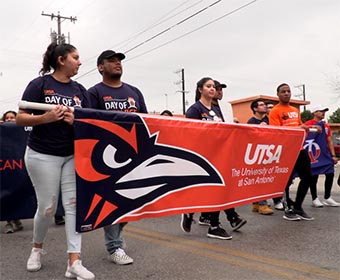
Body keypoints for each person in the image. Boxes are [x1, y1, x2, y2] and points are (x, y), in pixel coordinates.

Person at [16, 42, 94, 280]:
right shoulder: (40, 84)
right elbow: (20, 118)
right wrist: (47, 117)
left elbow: (89, 122)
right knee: (48, 208)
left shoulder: (80, 90)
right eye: (76, 57)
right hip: (42, 154)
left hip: (71, 154)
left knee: (73, 205)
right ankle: (36, 249)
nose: (80, 62)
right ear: (61, 60)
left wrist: (75, 121)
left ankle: (74, 261)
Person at [86, 50, 147, 265]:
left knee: (132, 204)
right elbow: (89, 124)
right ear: (100, 67)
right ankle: (115, 247)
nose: (117, 64)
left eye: (119, 61)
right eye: (112, 61)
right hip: (107, 158)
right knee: (113, 202)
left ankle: (112, 226)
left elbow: (145, 122)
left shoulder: (134, 92)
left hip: (134, 155)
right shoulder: (94, 92)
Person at [195, 80, 247, 231]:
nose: (213, 90)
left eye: (214, 87)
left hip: (221, 155)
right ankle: (216, 224)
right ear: (200, 89)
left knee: (223, 188)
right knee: (217, 189)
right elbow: (191, 135)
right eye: (209, 86)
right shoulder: (195, 109)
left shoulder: (218, 110)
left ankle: (223, 219)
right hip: (205, 158)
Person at [269, 83, 314, 221]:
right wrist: (299, 128)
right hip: (285, 150)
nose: (287, 93)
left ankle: (298, 207)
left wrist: (305, 128)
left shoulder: (294, 110)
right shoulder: (275, 111)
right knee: (286, 181)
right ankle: (287, 208)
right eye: (283, 91)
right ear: (278, 94)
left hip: (299, 149)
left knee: (307, 177)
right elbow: (277, 132)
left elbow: (299, 126)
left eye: (288, 91)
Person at [305, 105, 340, 207]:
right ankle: (314, 198)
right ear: (314, 113)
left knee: (330, 174)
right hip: (314, 154)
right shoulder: (308, 124)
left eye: (324, 111)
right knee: (314, 176)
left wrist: (333, 155)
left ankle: (327, 197)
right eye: (321, 111)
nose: (323, 113)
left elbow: (329, 140)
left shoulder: (326, 126)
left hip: (325, 154)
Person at [247, 99, 274, 215]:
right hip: (256, 154)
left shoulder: (268, 120)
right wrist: (259, 129)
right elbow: (248, 137)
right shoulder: (251, 122)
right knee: (260, 179)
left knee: (265, 178)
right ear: (255, 109)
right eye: (261, 105)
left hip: (268, 152)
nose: (265, 107)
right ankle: (262, 204)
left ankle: (257, 203)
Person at [1, 110, 25, 234]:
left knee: (18, 194)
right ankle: (9, 221)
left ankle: (17, 219)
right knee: (6, 193)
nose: (10, 120)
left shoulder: (22, 132)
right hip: (5, 168)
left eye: (12, 117)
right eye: (7, 118)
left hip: (19, 168)